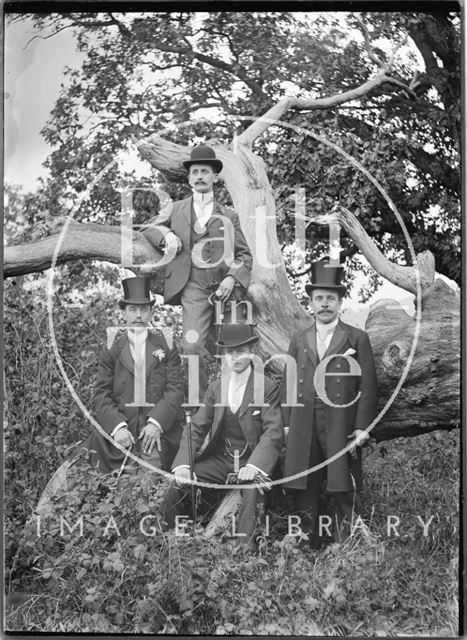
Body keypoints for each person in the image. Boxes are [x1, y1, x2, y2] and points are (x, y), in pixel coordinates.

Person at [141, 145, 253, 398]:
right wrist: (167, 235)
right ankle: (200, 407)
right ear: (189, 177)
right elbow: (149, 228)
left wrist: (231, 278)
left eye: (205, 171)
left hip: (227, 294)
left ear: (215, 177)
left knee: (237, 349)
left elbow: (245, 256)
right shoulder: (175, 209)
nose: (200, 176)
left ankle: (235, 407)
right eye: (195, 172)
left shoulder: (229, 215)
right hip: (193, 289)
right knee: (192, 347)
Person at [160, 323, 284, 549]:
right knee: (177, 484)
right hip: (222, 460)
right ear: (223, 355)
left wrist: (255, 466)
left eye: (240, 351)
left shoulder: (267, 387)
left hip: (250, 461)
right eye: (229, 352)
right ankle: (172, 541)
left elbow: (273, 432)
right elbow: (196, 427)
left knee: (252, 493)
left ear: (251, 353)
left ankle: (244, 552)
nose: (235, 357)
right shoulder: (216, 388)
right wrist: (183, 465)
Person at [281, 261, 378, 548]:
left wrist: (361, 427)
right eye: (319, 298)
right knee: (306, 484)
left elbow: (368, 386)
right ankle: (305, 540)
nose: (325, 304)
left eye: (330, 299)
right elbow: (289, 382)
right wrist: (288, 424)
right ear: (310, 302)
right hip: (304, 422)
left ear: (339, 302)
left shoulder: (356, 338)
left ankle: (346, 544)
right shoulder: (299, 339)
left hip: (340, 422)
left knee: (342, 483)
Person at [83, 277, 185, 478]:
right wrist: (117, 427)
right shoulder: (112, 349)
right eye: (133, 310)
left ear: (150, 313)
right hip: (123, 429)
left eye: (143, 310)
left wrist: (156, 423)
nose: (138, 315)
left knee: (151, 479)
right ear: (125, 313)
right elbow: (101, 394)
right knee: (94, 475)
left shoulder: (166, 345)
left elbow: (176, 388)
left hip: (156, 432)